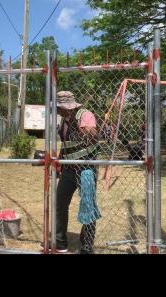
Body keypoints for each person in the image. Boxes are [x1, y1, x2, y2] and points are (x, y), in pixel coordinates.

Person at [55, 91, 100, 254]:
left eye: (59, 108)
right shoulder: (63, 120)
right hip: (68, 169)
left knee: (88, 205)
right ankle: (60, 242)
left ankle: (87, 244)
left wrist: (88, 132)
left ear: (67, 107)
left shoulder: (85, 115)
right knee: (60, 204)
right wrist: (60, 162)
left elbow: (94, 135)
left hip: (86, 168)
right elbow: (66, 144)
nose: (58, 111)